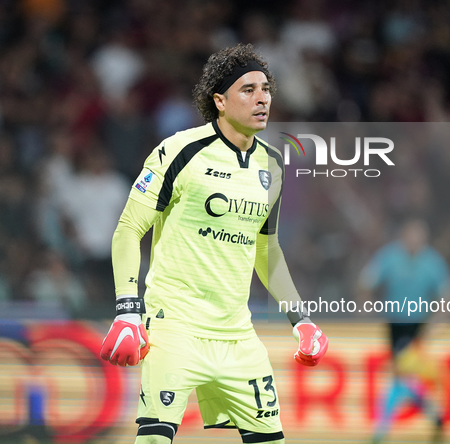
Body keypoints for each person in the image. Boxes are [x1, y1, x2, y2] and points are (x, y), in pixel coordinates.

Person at [99, 43, 328, 444]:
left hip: (237, 335)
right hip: (174, 327)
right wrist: (127, 310)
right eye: (248, 90)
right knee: (153, 439)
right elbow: (128, 229)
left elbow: (267, 250)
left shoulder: (272, 164)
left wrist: (302, 319)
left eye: (266, 89)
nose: (262, 98)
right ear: (219, 101)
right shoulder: (180, 151)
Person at [357, 218, 450, 444]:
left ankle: (383, 428)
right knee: (406, 378)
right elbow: (366, 282)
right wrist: (366, 306)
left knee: (401, 376)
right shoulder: (389, 257)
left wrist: (438, 322)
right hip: (394, 324)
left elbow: (447, 293)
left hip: (416, 328)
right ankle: (435, 416)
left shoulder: (432, 261)